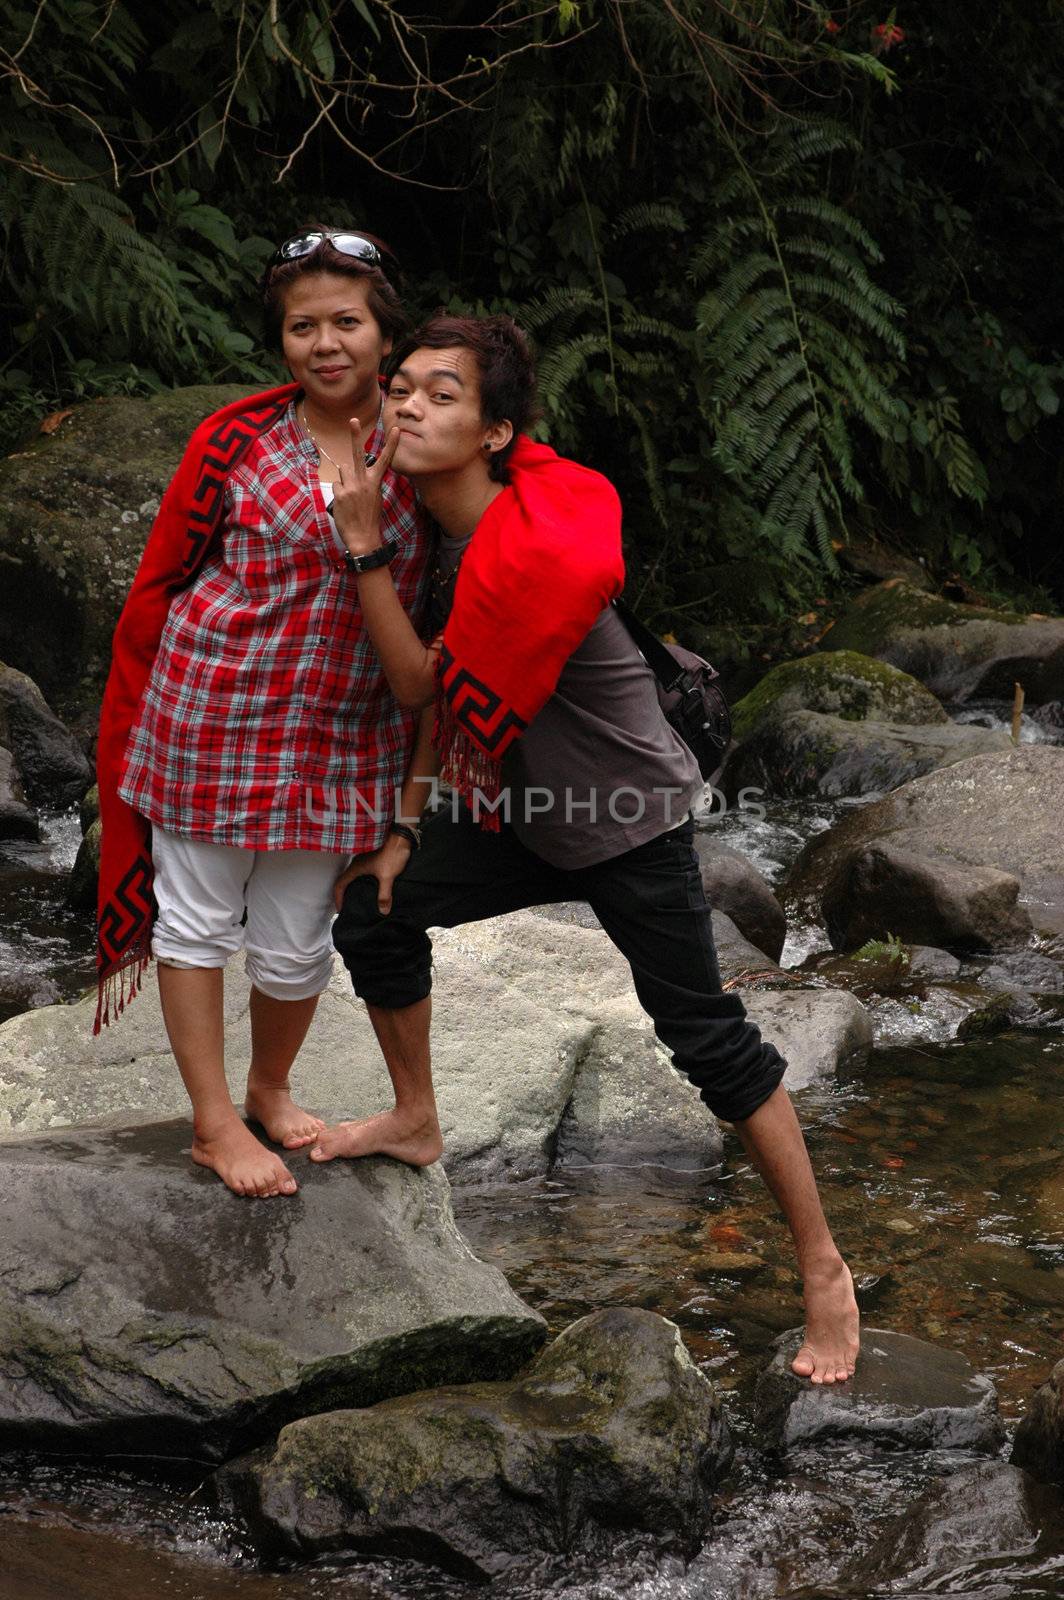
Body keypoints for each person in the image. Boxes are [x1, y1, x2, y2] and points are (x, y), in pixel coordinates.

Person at [315, 311, 860, 1384]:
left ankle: (823, 1270)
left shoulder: (529, 547)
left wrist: (362, 541)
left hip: (622, 820)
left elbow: (425, 681)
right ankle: (416, 1118)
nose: (409, 406)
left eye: (442, 395)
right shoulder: (440, 532)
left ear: (498, 430)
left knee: (703, 1038)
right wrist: (406, 826)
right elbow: (436, 705)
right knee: (371, 908)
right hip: (524, 816)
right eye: (404, 389)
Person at [93, 229, 430, 1200]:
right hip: (214, 712)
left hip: (343, 730)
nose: (325, 344)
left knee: (294, 939)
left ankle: (268, 1088)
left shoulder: (422, 438)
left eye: (346, 322)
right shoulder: (235, 439)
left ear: (383, 331)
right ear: (280, 339)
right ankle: (211, 1124)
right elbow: (167, 576)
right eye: (302, 326)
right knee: (195, 922)